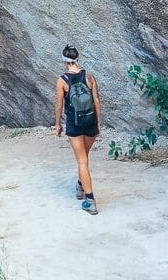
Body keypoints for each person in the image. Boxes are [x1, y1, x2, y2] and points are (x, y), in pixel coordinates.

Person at [55, 44, 101, 214]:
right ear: (77, 59)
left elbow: (59, 105)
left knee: (82, 161)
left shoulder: (62, 81)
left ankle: (90, 201)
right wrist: (98, 124)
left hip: (74, 125)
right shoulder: (89, 76)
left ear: (64, 61)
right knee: (84, 158)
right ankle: (81, 185)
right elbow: (97, 101)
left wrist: (58, 124)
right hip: (91, 122)